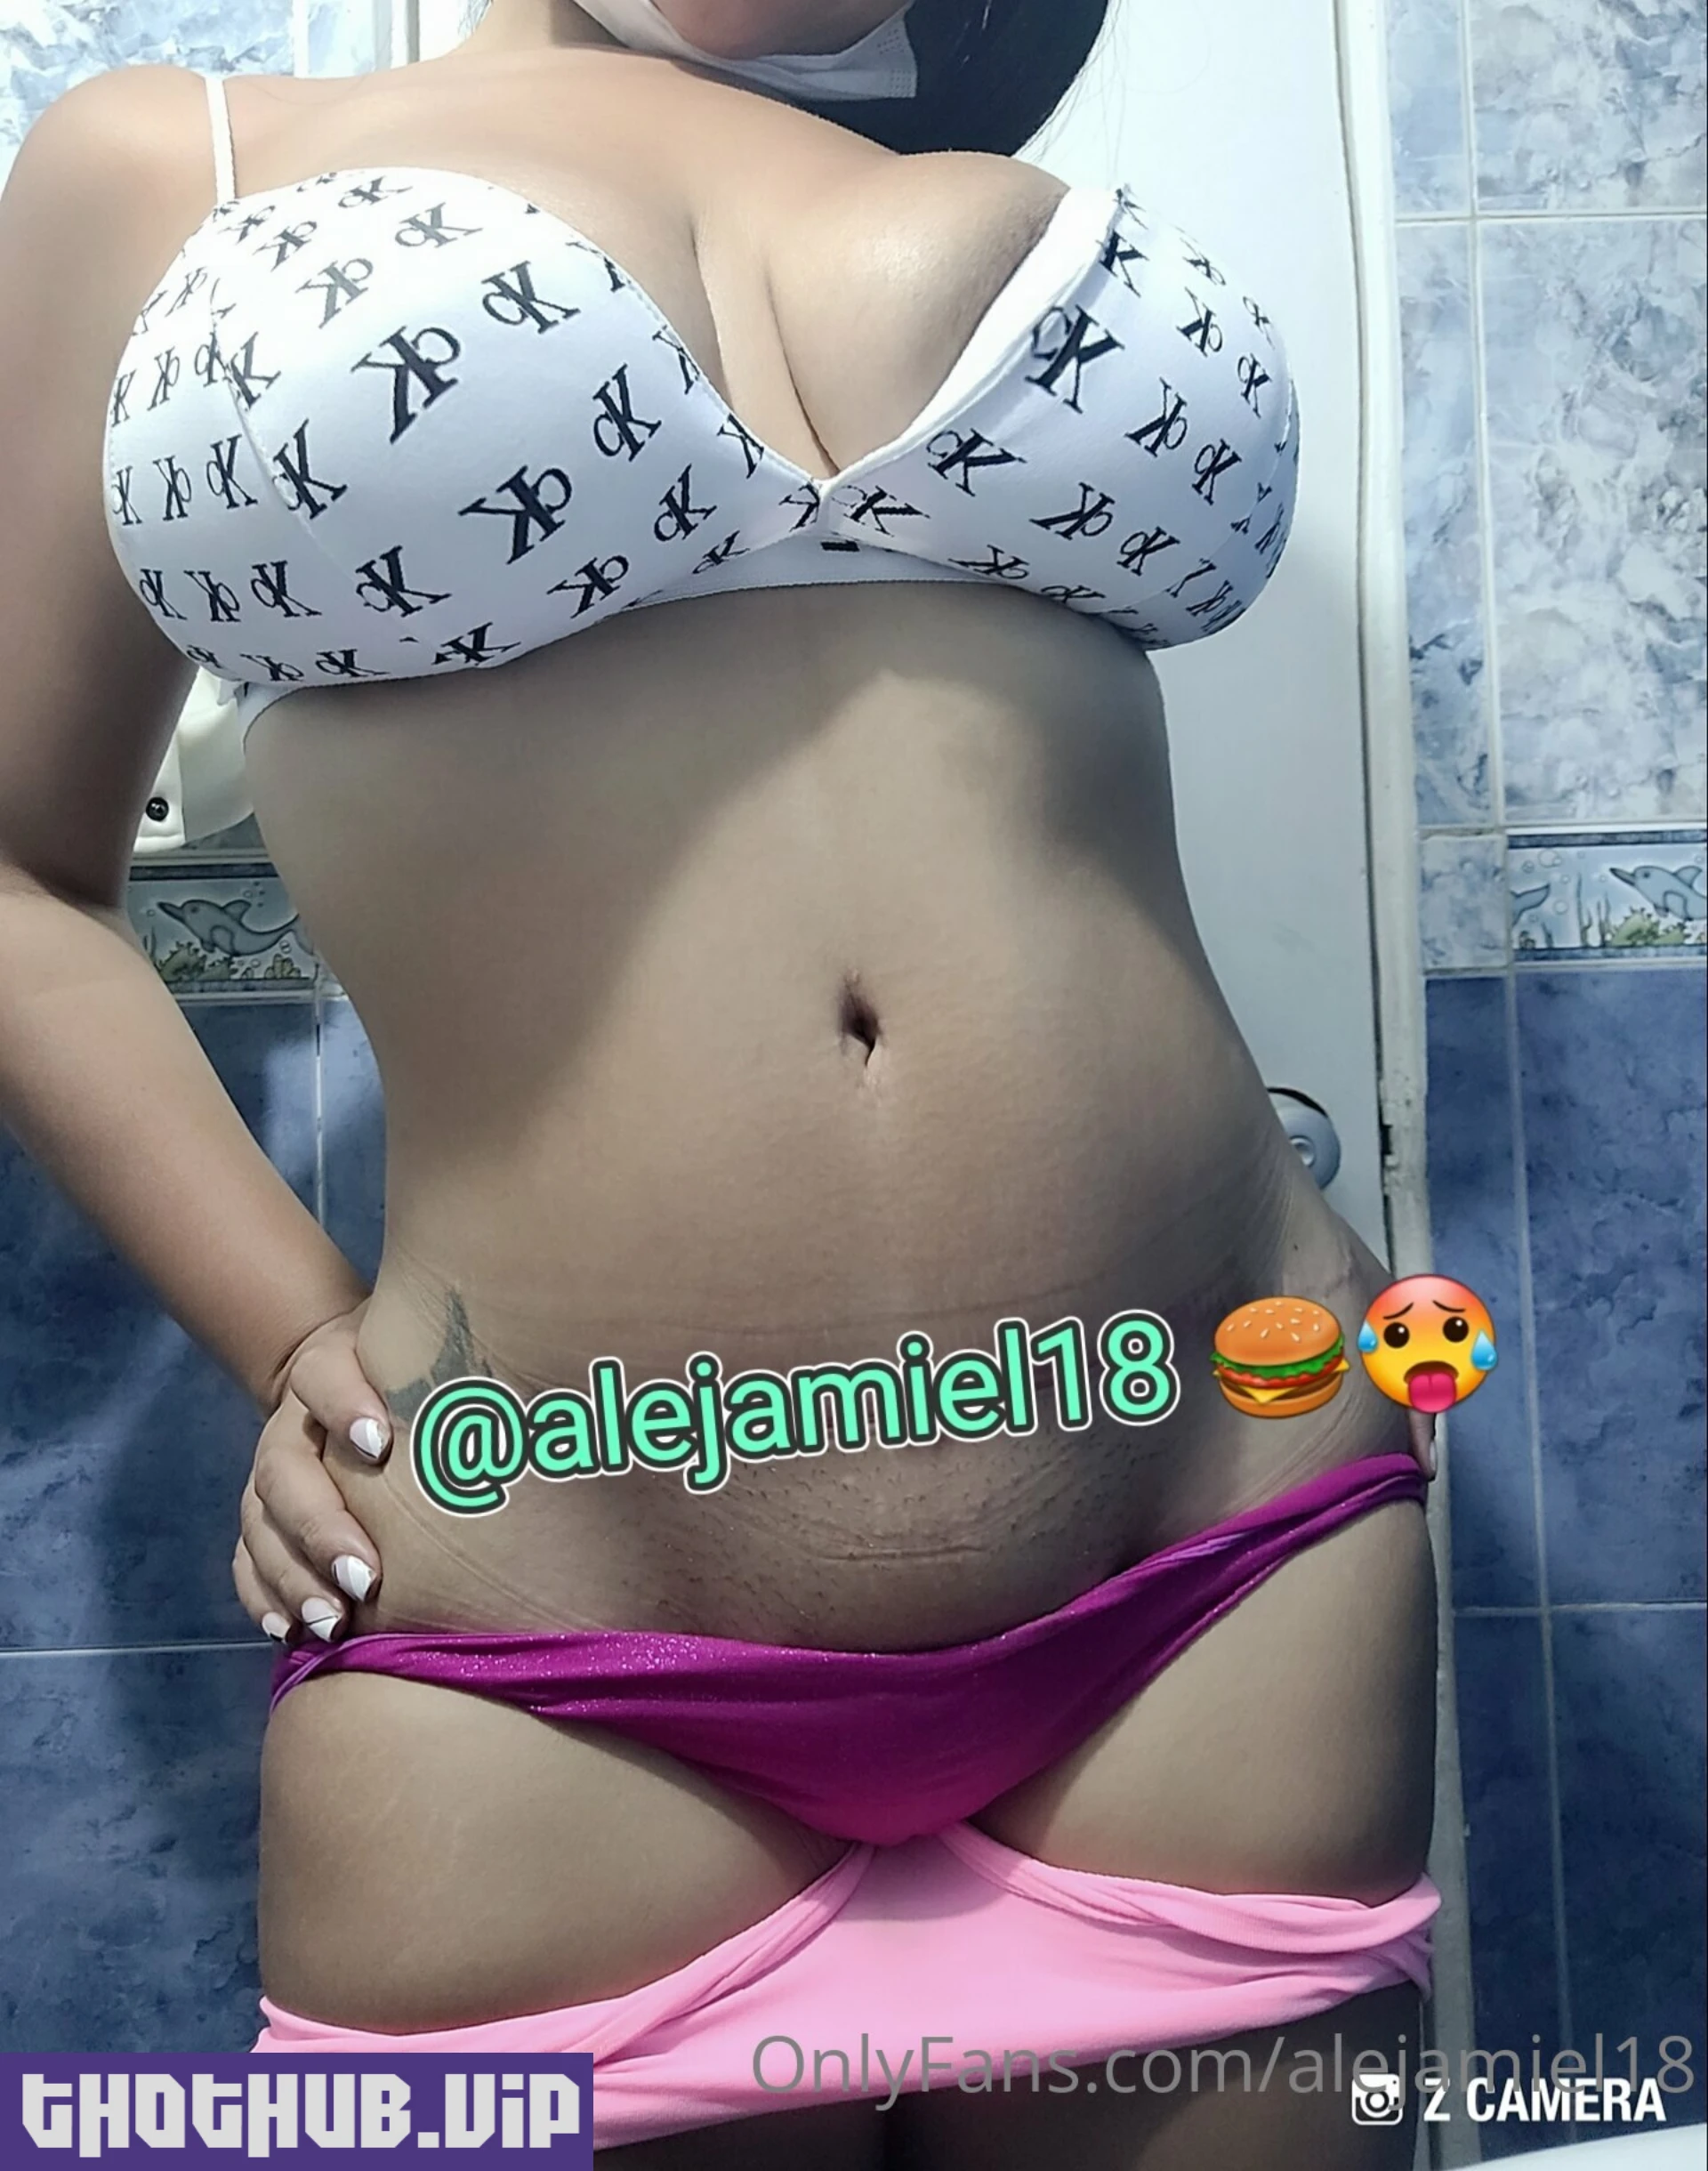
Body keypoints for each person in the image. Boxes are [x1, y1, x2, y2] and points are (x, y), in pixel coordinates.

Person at [0, 2, 1439, 2159]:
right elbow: (20, 879)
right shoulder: (168, 160)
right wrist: (297, 1339)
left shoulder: (949, 155)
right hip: (548, 1633)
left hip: (1229, 1538)